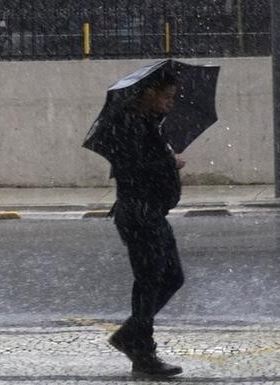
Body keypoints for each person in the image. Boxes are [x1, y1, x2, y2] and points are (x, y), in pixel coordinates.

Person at [106, 70, 185, 378]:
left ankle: (130, 336)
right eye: (167, 96)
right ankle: (142, 353)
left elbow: (148, 162)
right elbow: (132, 168)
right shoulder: (126, 125)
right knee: (149, 282)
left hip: (152, 211)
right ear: (149, 93)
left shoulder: (150, 125)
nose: (171, 103)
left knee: (171, 277)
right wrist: (169, 162)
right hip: (138, 214)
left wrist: (167, 160)